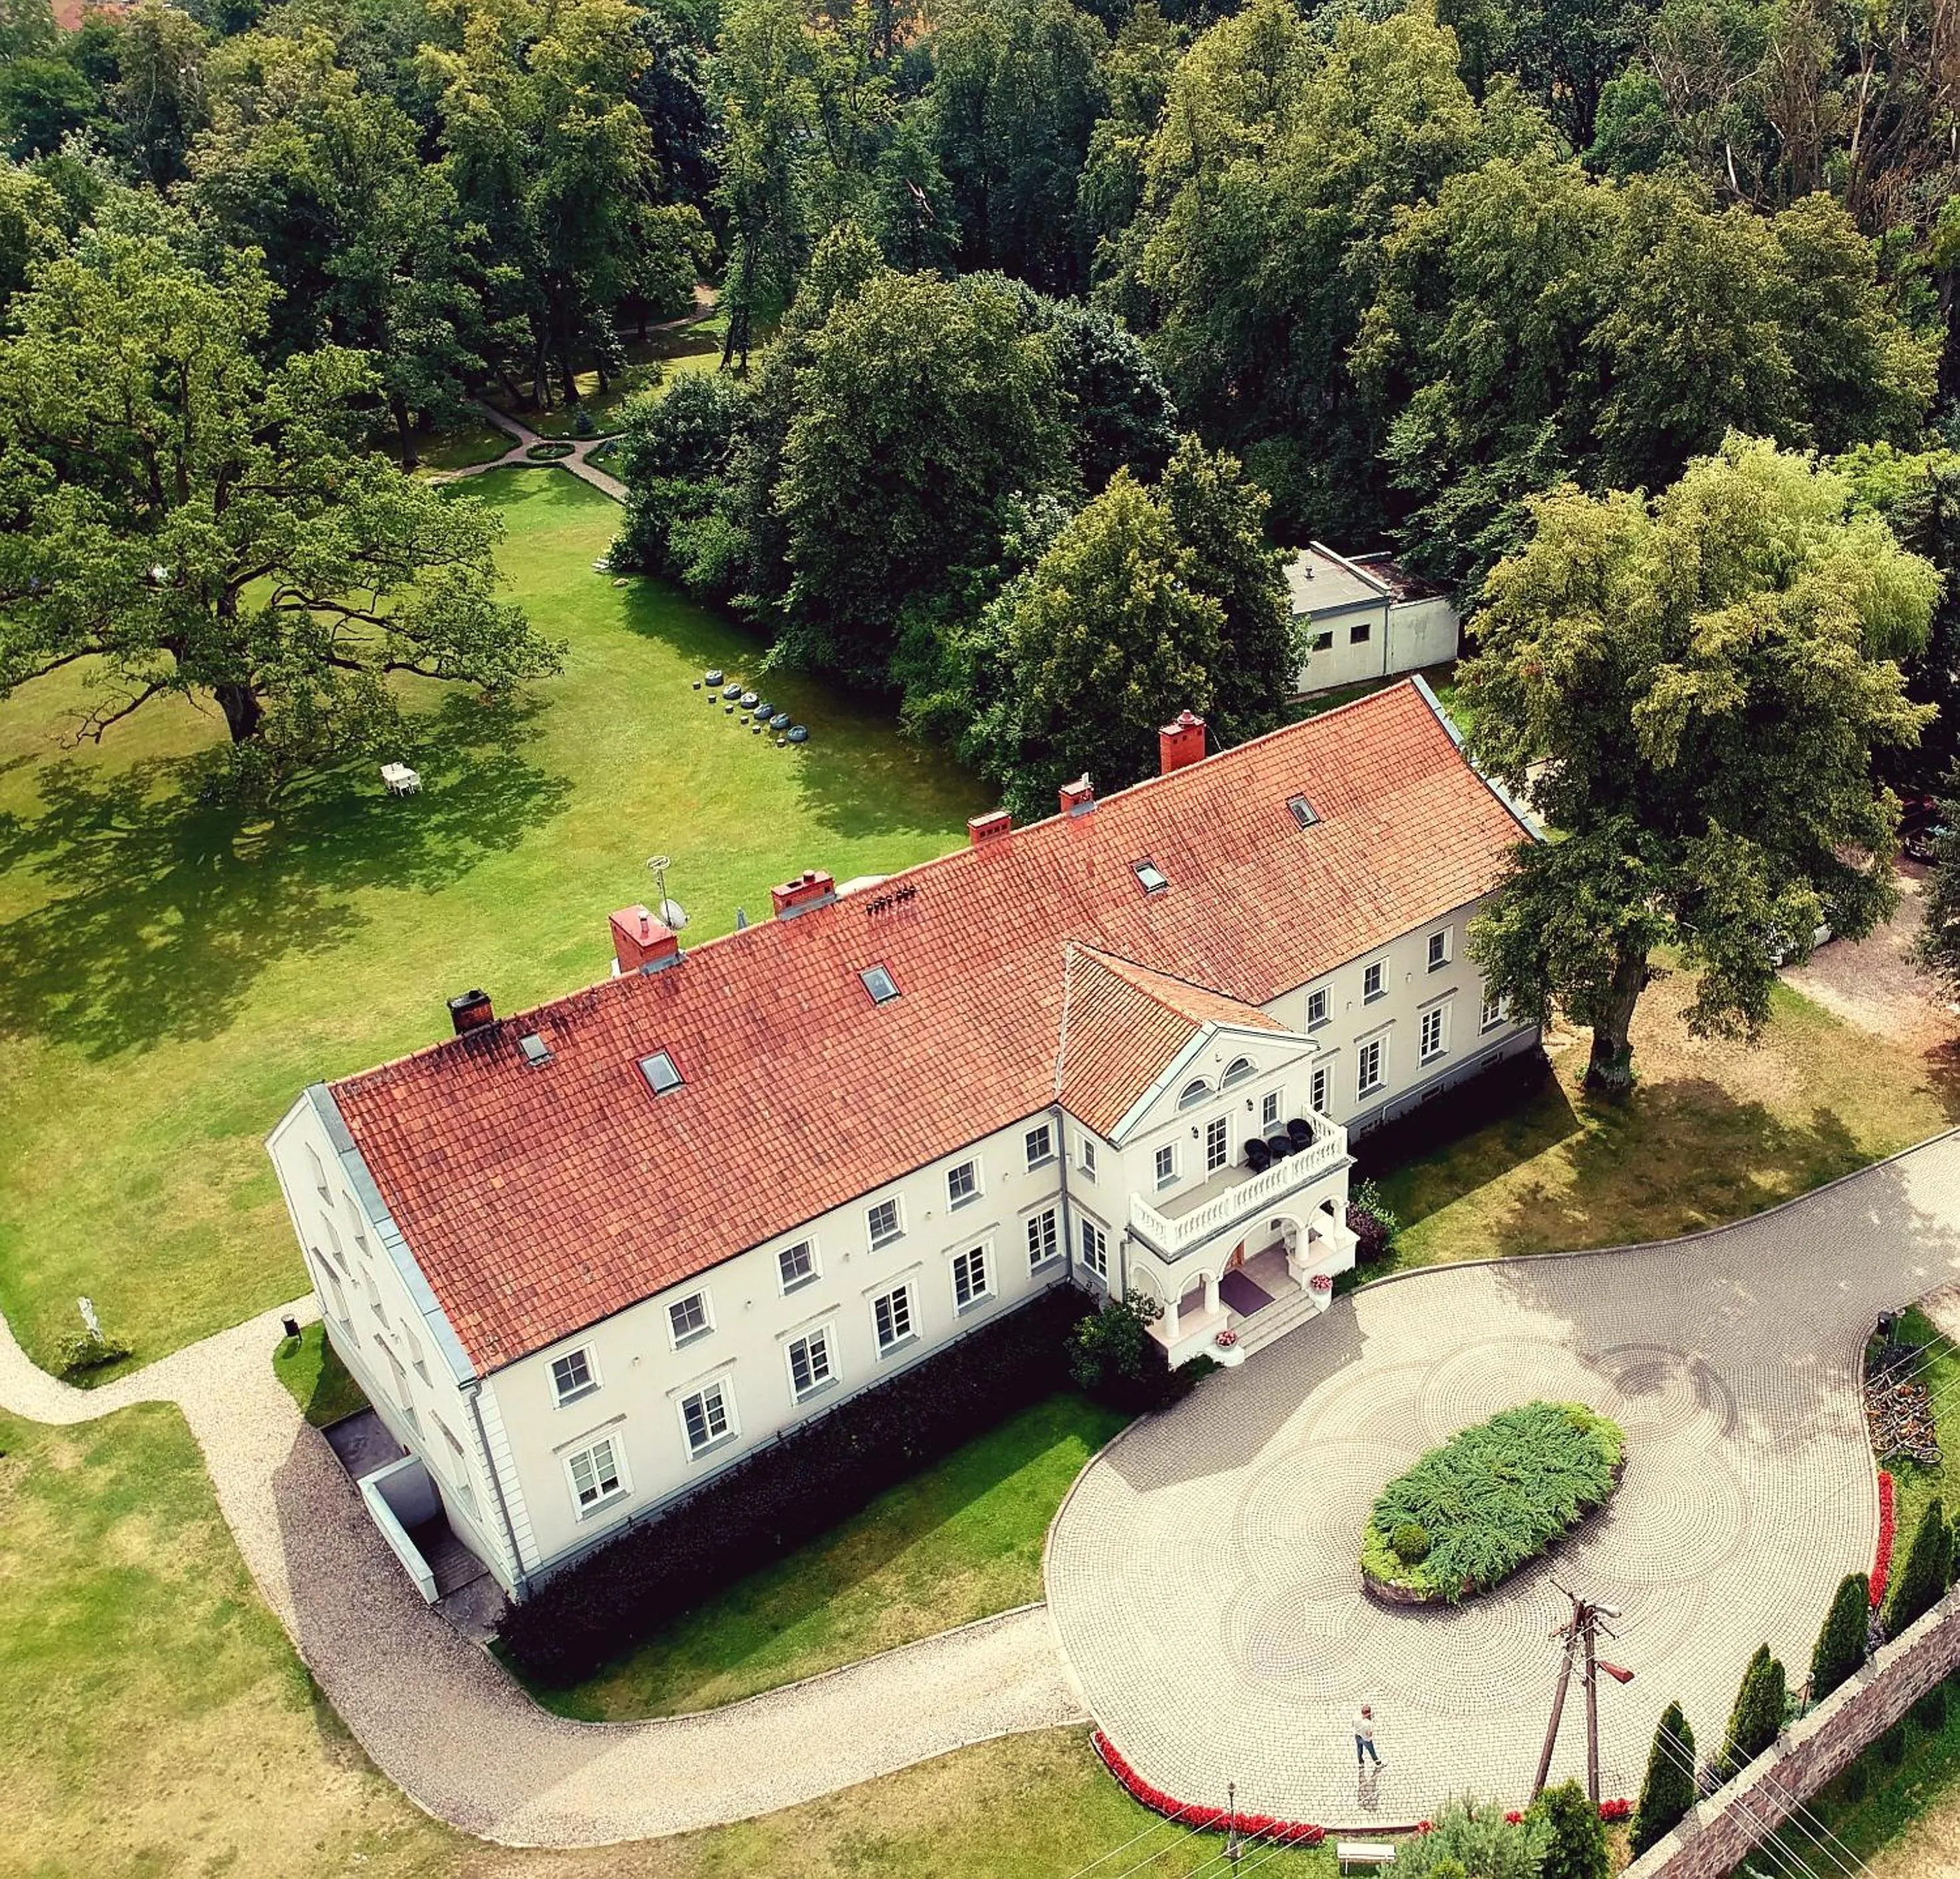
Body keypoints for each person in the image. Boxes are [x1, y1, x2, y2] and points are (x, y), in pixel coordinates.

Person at [1355, 1704, 1384, 1768]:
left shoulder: (1356, 1718)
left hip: (1357, 1736)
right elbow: (1369, 1734)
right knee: (1371, 1751)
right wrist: (1372, 1723)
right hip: (1366, 1739)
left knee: (1359, 1749)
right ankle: (1377, 1763)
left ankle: (1361, 1762)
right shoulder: (1368, 1724)